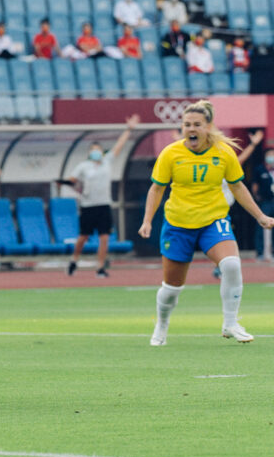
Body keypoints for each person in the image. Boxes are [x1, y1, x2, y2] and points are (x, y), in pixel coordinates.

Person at [138, 101, 274, 345]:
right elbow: (157, 189)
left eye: (197, 125)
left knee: (231, 264)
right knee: (171, 288)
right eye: (187, 124)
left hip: (214, 220)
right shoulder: (171, 153)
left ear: (208, 127)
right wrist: (147, 220)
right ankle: (162, 324)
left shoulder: (223, 152)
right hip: (179, 224)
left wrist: (260, 216)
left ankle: (230, 323)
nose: (191, 129)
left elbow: (238, 186)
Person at [65, 115, 140, 278]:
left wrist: (129, 129)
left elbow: (119, 146)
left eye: (98, 150)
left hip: (103, 205)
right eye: (93, 150)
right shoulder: (83, 166)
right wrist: (72, 185)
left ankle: (100, 267)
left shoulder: (106, 162)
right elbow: (72, 181)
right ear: (89, 153)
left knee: (104, 237)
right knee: (83, 237)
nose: (96, 152)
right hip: (88, 206)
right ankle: (74, 259)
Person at [252, 141, 274, 262]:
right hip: (265, 201)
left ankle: (272, 252)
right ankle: (260, 252)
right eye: (270, 154)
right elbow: (255, 185)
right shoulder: (260, 169)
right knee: (262, 225)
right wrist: (257, 197)